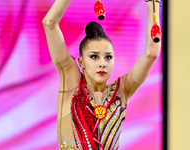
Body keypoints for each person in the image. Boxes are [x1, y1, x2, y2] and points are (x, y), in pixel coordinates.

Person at [42, 0, 161, 149]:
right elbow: (49, 23)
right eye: (94, 56)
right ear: (81, 61)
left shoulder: (121, 90)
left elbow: (152, 53)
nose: (102, 63)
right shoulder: (71, 80)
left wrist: (153, 4)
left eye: (108, 57)